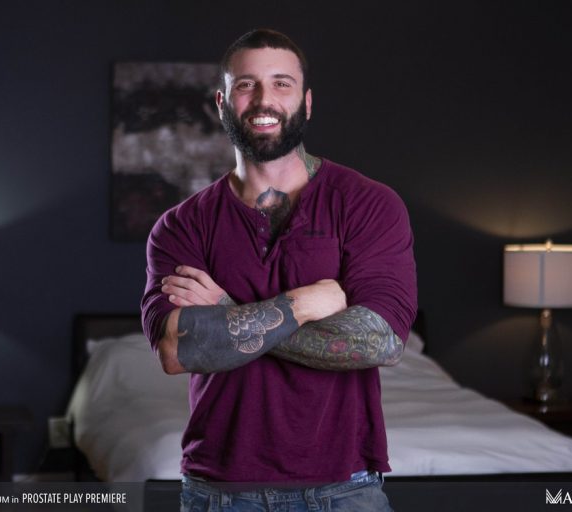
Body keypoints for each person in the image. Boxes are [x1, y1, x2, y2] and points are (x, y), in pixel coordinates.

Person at [141, 28, 417, 512]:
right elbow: (177, 350)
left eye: (282, 84)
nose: (263, 99)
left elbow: (381, 342)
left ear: (306, 102)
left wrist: (226, 311)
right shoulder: (181, 226)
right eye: (246, 85)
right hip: (219, 490)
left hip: (346, 488)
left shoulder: (368, 204)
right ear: (222, 103)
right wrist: (302, 304)